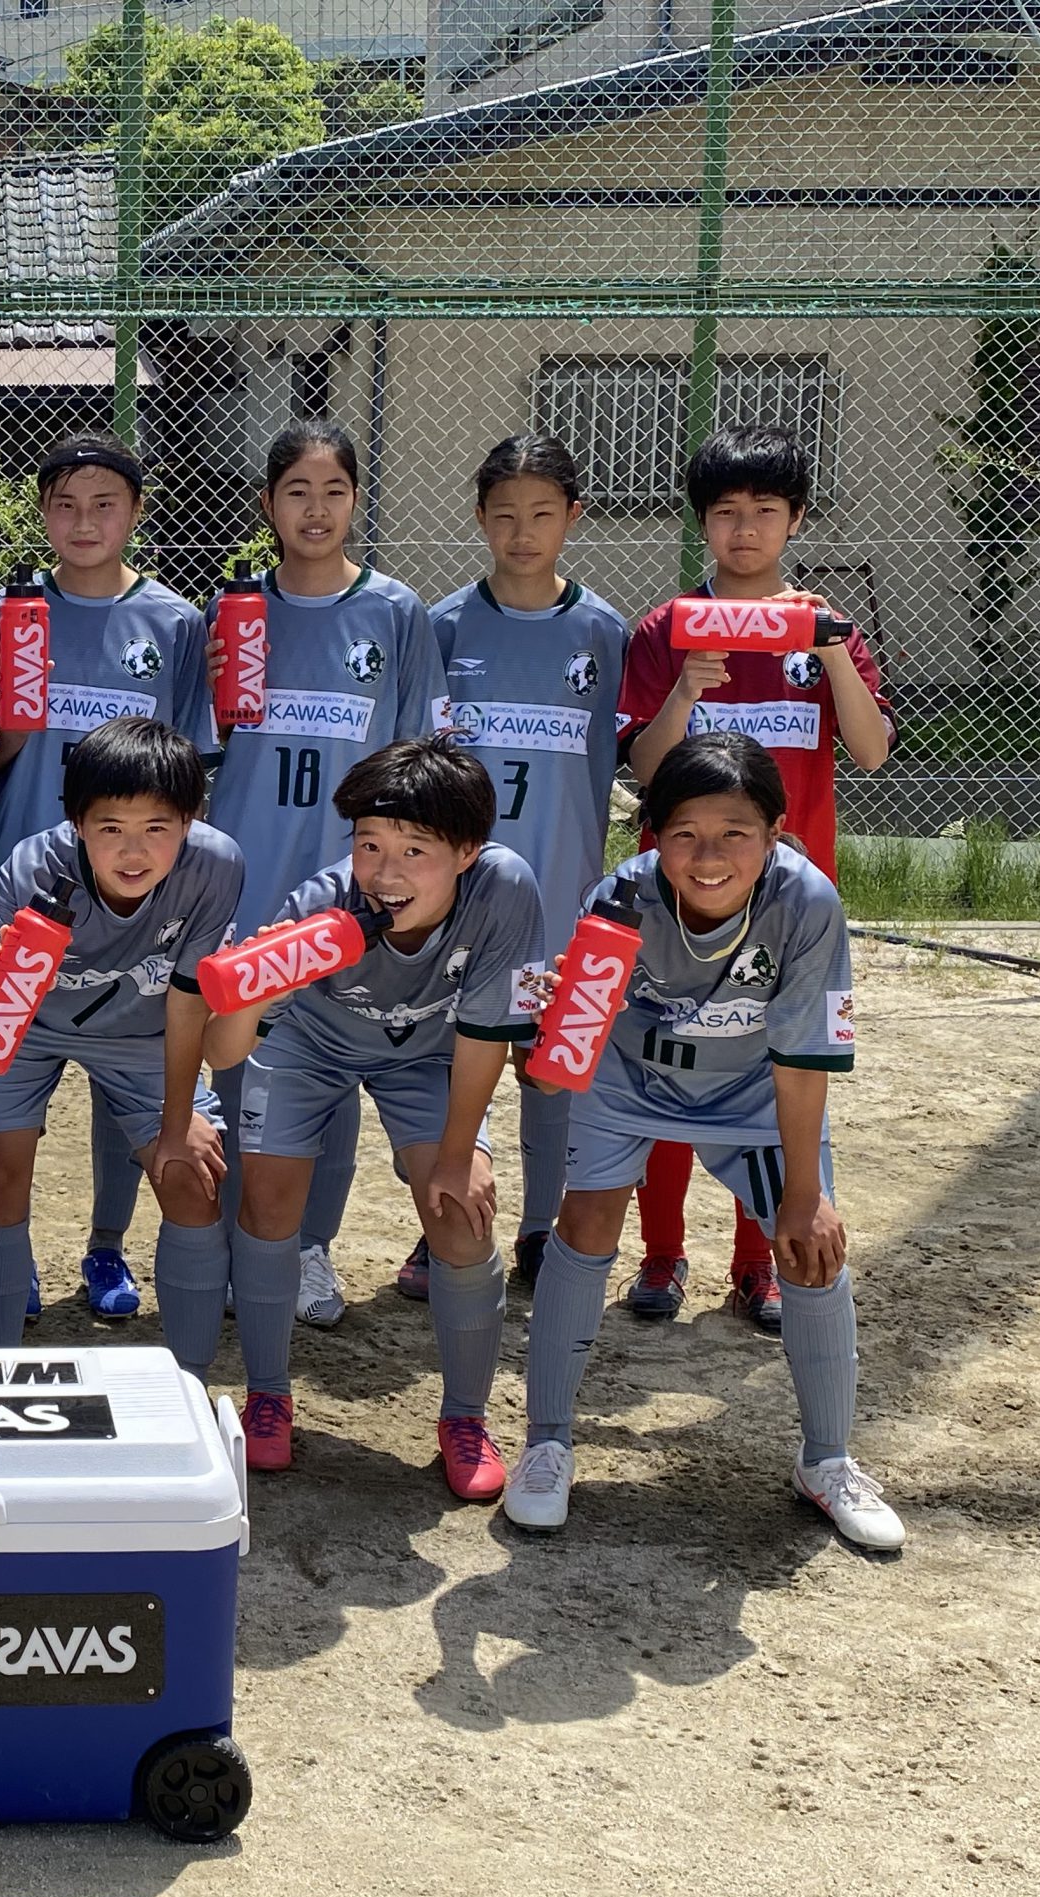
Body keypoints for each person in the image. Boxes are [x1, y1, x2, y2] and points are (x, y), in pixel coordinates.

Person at [505, 734, 902, 1550]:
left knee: (811, 1247)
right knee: (583, 1229)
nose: (709, 855)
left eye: (735, 833)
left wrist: (803, 1194)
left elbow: (801, 1061)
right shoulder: (619, 900)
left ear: (776, 833)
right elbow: (551, 1081)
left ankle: (826, 1459)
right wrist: (541, 1038)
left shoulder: (806, 902)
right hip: (630, 1082)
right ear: (653, 836)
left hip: (751, 1090)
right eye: (685, 833)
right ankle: (546, 1442)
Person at [202, 739, 545, 1488]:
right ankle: (268, 1396)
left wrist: (457, 1157)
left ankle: (465, 1418)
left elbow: (487, 1037)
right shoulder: (323, 905)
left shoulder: (504, 889)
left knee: (459, 1211)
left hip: (428, 1052)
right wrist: (254, 986)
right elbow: (225, 1054)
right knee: (265, 1199)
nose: (386, 874)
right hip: (311, 1043)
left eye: (414, 850)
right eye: (368, 845)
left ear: (466, 852)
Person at [613, 425, 895, 1328]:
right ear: (703, 524)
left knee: (772, 1076)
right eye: (727, 513)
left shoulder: (822, 628)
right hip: (681, 894)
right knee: (664, 1060)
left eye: (765, 511)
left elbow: (874, 750)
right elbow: (646, 769)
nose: (745, 530)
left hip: (786, 904)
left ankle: (758, 1262)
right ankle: (660, 1258)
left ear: (795, 519)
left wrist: (834, 655)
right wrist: (687, 689)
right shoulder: (667, 628)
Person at [204, 419, 447, 1329]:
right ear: (268, 504)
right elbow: (199, 749)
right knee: (241, 1053)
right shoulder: (229, 614)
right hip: (249, 872)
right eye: (296, 492)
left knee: (329, 1060)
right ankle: (244, 1239)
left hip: (354, 888)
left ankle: (309, 1247)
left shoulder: (395, 612)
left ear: (355, 499)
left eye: (333, 491)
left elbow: (419, 753)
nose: (315, 509)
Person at [0, 434, 214, 1322]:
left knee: (129, 1090)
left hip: (132, 885)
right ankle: (18, 1263)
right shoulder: (8, 613)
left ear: (136, 513)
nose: (85, 522)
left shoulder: (175, 624)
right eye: (66, 505)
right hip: (32, 879)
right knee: (14, 1089)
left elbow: (189, 764)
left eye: (105, 504)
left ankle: (107, 1251)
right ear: (43, 514)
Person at [0, 717, 237, 1350]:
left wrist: (177, 1119)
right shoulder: (33, 867)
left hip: (143, 1034)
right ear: (77, 822)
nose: (133, 852)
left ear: (191, 821)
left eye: (157, 828)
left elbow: (190, 1005)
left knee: (193, 1175)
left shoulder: (215, 866)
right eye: (111, 828)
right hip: (30, 1032)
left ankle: (187, 1379)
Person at [424, 433, 628, 1298]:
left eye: (542, 513)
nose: (521, 531)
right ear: (478, 517)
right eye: (503, 514)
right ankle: (438, 1225)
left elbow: (634, 754)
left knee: (553, 1073)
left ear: (573, 517)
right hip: (459, 902)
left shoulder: (604, 632)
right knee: (445, 1068)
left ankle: (541, 1231)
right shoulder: (441, 626)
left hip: (563, 892)